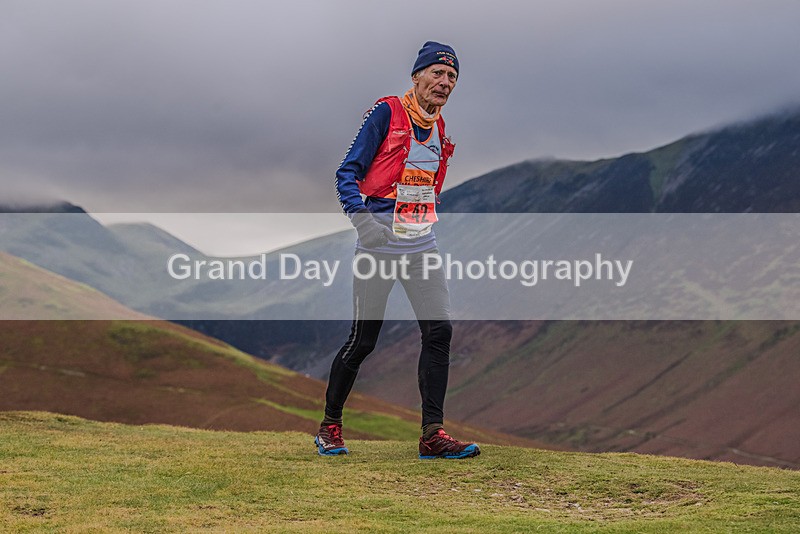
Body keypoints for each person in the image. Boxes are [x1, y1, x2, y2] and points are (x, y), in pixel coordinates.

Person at [315, 41, 480, 460]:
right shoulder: (387, 112)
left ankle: (432, 434)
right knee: (363, 340)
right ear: (417, 76)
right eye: (438, 74)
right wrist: (363, 223)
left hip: (421, 242)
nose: (444, 83)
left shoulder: (440, 127)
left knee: (439, 332)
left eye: (452, 78)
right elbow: (346, 172)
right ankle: (329, 428)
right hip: (379, 243)